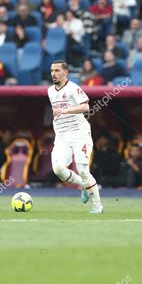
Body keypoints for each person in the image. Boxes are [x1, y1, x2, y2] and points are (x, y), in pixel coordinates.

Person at [48, 60, 103, 213]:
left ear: (65, 72)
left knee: (83, 170)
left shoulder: (73, 88)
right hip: (61, 136)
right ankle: (84, 185)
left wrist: (66, 110)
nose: (54, 73)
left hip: (79, 134)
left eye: (57, 70)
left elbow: (86, 106)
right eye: (52, 70)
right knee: (58, 169)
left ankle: (98, 206)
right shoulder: (50, 91)